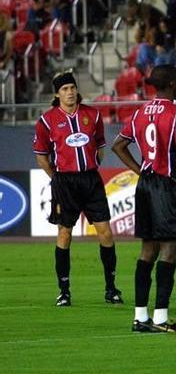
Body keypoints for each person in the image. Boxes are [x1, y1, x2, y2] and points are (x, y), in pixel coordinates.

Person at [112, 65, 176, 333]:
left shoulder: (140, 112)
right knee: (170, 248)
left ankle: (140, 317)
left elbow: (118, 145)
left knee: (147, 249)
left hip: (145, 185)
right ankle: (161, 317)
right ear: (173, 83)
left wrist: (140, 170)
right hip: (166, 185)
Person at [33, 72, 122, 307]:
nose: (70, 92)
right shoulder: (47, 121)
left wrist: (89, 167)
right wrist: (57, 179)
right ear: (56, 94)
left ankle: (111, 289)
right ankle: (64, 291)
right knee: (65, 234)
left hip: (91, 180)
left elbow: (101, 147)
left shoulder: (92, 115)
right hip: (65, 183)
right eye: (64, 89)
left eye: (72, 87)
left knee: (106, 233)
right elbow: (42, 157)